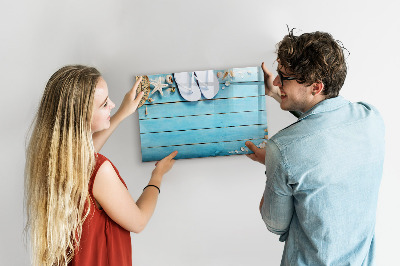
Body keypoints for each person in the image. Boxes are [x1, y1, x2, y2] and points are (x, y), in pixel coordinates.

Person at [245, 31, 385, 265]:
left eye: (283, 77)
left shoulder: (282, 149)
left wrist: (273, 162)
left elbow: (275, 224)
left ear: (316, 87)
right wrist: (275, 93)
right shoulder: (371, 118)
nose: (277, 81)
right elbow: (324, 123)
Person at [24, 65, 177, 266]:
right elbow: (138, 221)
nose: (112, 104)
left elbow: (86, 156)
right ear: (81, 117)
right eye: (105, 104)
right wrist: (157, 176)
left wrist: (122, 113)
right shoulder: (99, 170)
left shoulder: (53, 160)